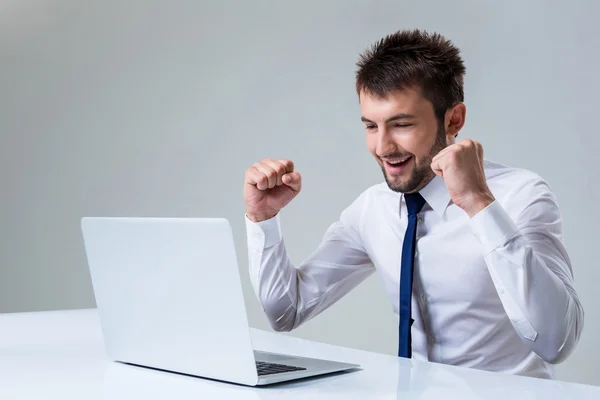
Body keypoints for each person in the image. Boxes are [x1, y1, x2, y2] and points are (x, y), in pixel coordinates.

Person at [242, 29, 583, 379]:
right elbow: (286, 311)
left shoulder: (520, 195)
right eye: (371, 126)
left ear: (453, 120)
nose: (383, 146)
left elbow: (556, 342)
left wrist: (479, 204)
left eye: (401, 124)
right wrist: (262, 217)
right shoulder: (372, 209)